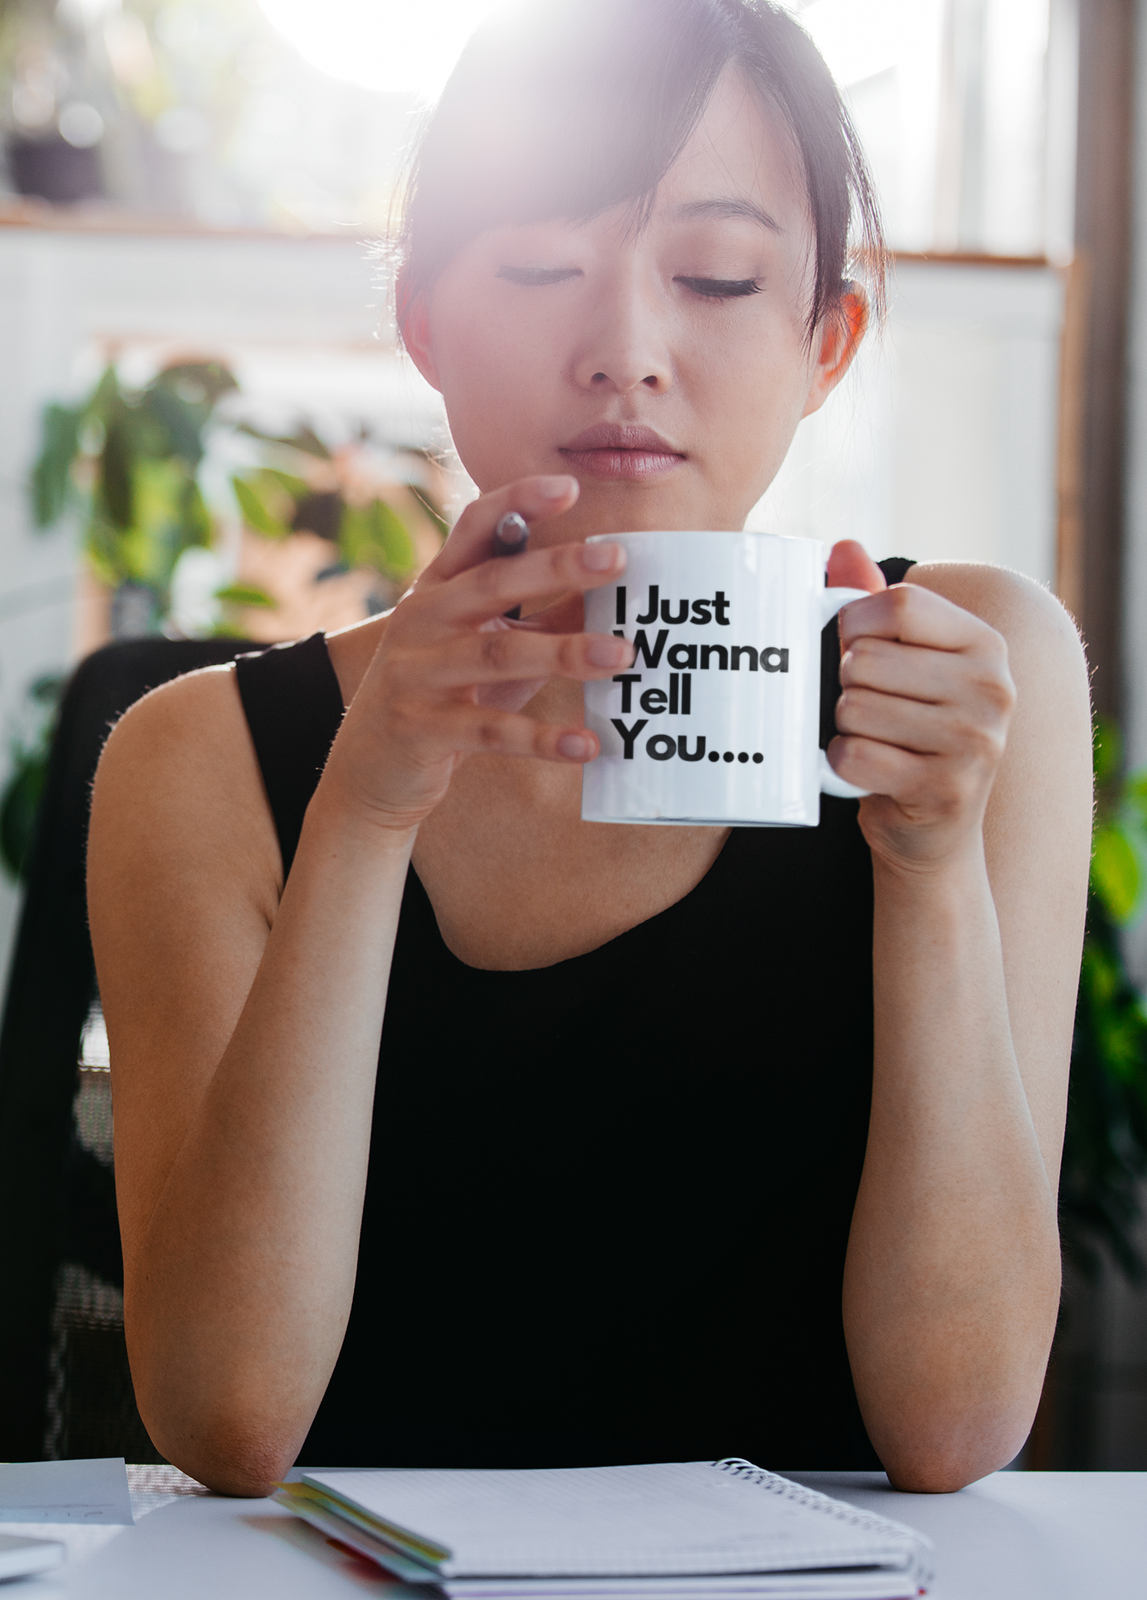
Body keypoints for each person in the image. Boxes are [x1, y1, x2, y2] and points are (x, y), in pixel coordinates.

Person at [88, 0, 1093, 1498]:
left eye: (716, 275)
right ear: (424, 325)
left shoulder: (962, 682)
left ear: (826, 341)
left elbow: (954, 1427)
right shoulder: (203, 761)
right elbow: (230, 1421)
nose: (625, 353)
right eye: (542, 267)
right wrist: (364, 811)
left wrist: (932, 867)